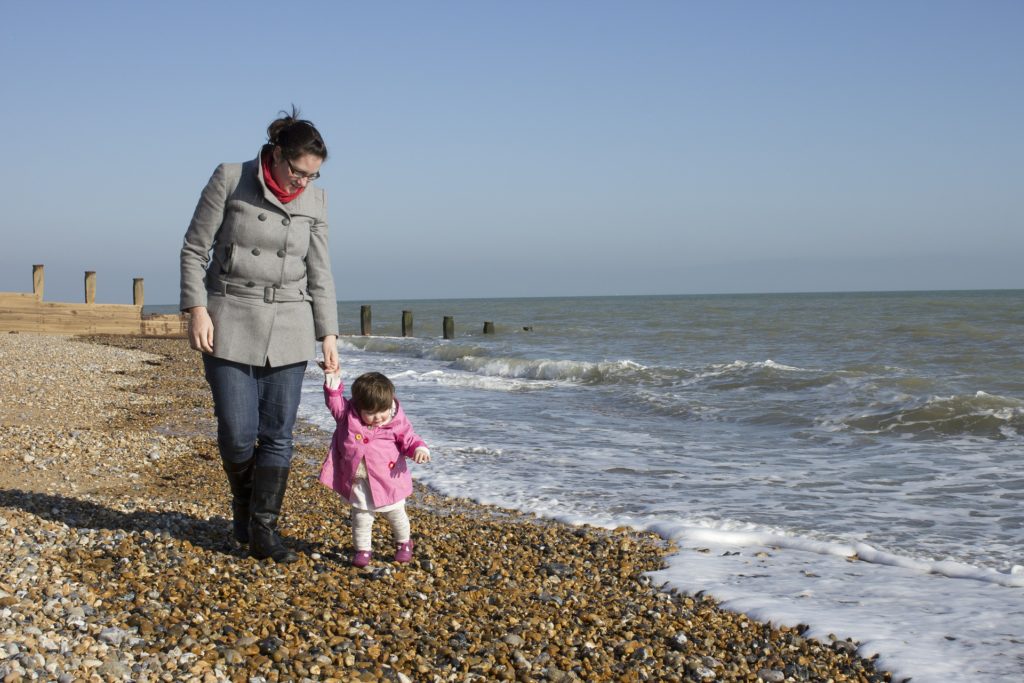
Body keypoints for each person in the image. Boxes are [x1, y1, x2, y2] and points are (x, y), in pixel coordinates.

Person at [180, 107, 339, 564]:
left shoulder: (316, 202)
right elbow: (194, 248)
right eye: (298, 172)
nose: (303, 183)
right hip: (229, 314)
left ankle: (264, 528)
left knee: (278, 434)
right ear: (276, 155)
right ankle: (244, 505)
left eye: (314, 175)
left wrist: (327, 334)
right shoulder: (231, 178)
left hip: (291, 320)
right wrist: (196, 309)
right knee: (236, 432)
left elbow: (320, 272)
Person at [318, 370, 431, 567]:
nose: (378, 417)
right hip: (360, 481)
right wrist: (333, 380)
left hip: (389, 481)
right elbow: (334, 402)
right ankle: (363, 549)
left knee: (396, 514)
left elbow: (409, 438)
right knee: (361, 517)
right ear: (358, 407)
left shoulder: (395, 421)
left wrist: (418, 449)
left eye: (382, 411)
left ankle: (404, 543)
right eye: (370, 413)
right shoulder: (347, 416)